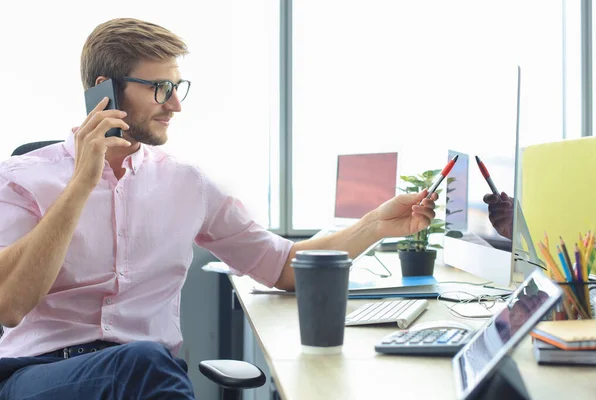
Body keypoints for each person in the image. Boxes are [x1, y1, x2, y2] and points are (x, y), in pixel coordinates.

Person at [0, 18, 438, 399]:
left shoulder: (186, 183)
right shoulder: (22, 177)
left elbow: (282, 265)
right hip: (39, 375)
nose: (176, 104)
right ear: (105, 92)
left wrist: (375, 224)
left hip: (148, 375)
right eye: (160, 88)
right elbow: (10, 304)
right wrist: (81, 184)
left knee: (146, 363)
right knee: (145, 363)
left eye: (177, 87)